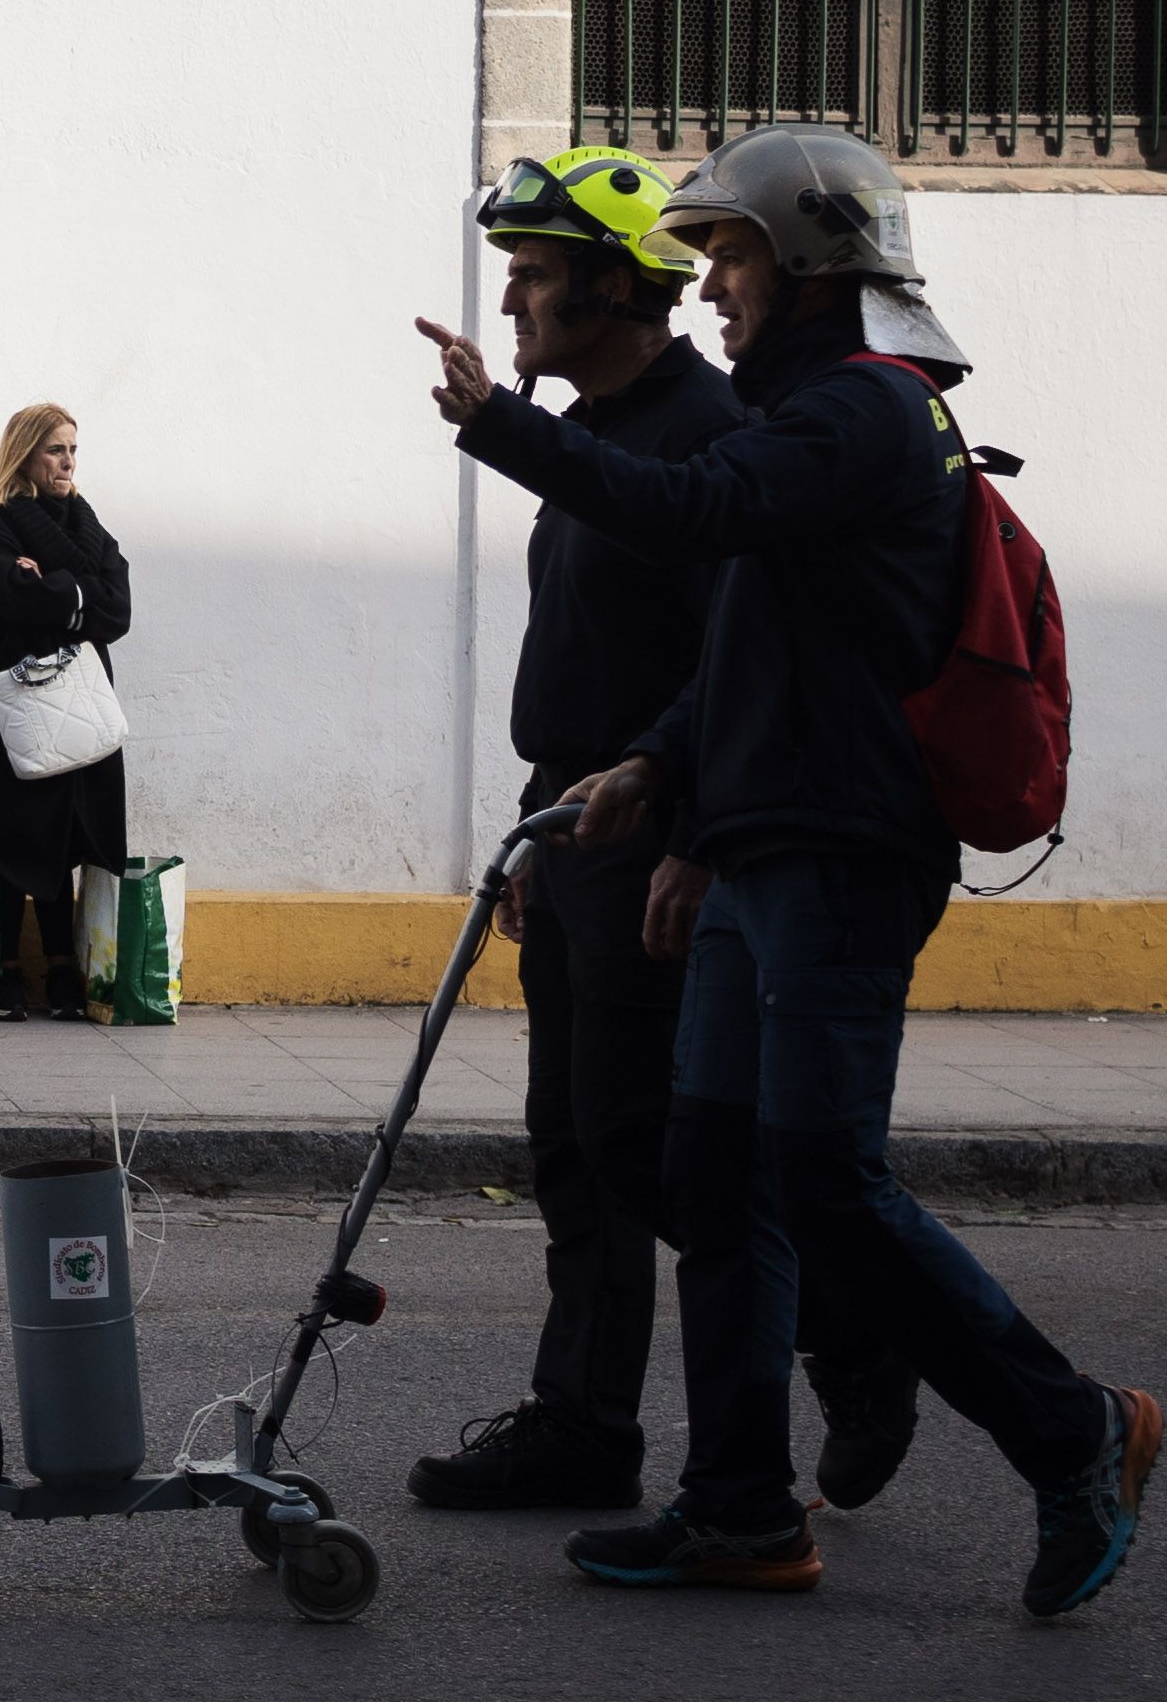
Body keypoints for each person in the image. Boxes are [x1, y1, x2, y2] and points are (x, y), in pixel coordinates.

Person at [422, 121, 1162, 1615]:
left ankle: (1076, 1427)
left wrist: (502, 421)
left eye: (736, 255)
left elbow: (696, 514)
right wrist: (662, 767)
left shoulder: (868, 417)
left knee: (824, 1180)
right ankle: (742, 1512)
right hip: (762, 846)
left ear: (817, 263)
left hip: (840, 857)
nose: (712, 291)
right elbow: (752, 649)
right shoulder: (806, 417)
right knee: (708, 1173)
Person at [399, 150, 749, 1511]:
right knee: (575, 1144)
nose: (513, 302)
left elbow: (729, 664)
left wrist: (686, 832)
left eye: (535, 276)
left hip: (650, 834)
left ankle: (852, 1331)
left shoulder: (700, 434)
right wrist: (540, 837)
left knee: (645, 1150)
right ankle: (586, 1426)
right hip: (572, 828)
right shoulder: (604, 434)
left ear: (613, 286)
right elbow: (596, 656)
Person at [0, 406, 132, 1020]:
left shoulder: (85, 524)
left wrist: (54, 587)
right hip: (17, 701)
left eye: (74, 449)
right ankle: (3, 972)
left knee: (68, 830)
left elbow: (118, 607)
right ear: (24, 453)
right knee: (9, 830)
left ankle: (61, 973)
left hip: (77, 703)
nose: (69, 462)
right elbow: (4, 594)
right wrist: (77, 595)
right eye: (55, 449)